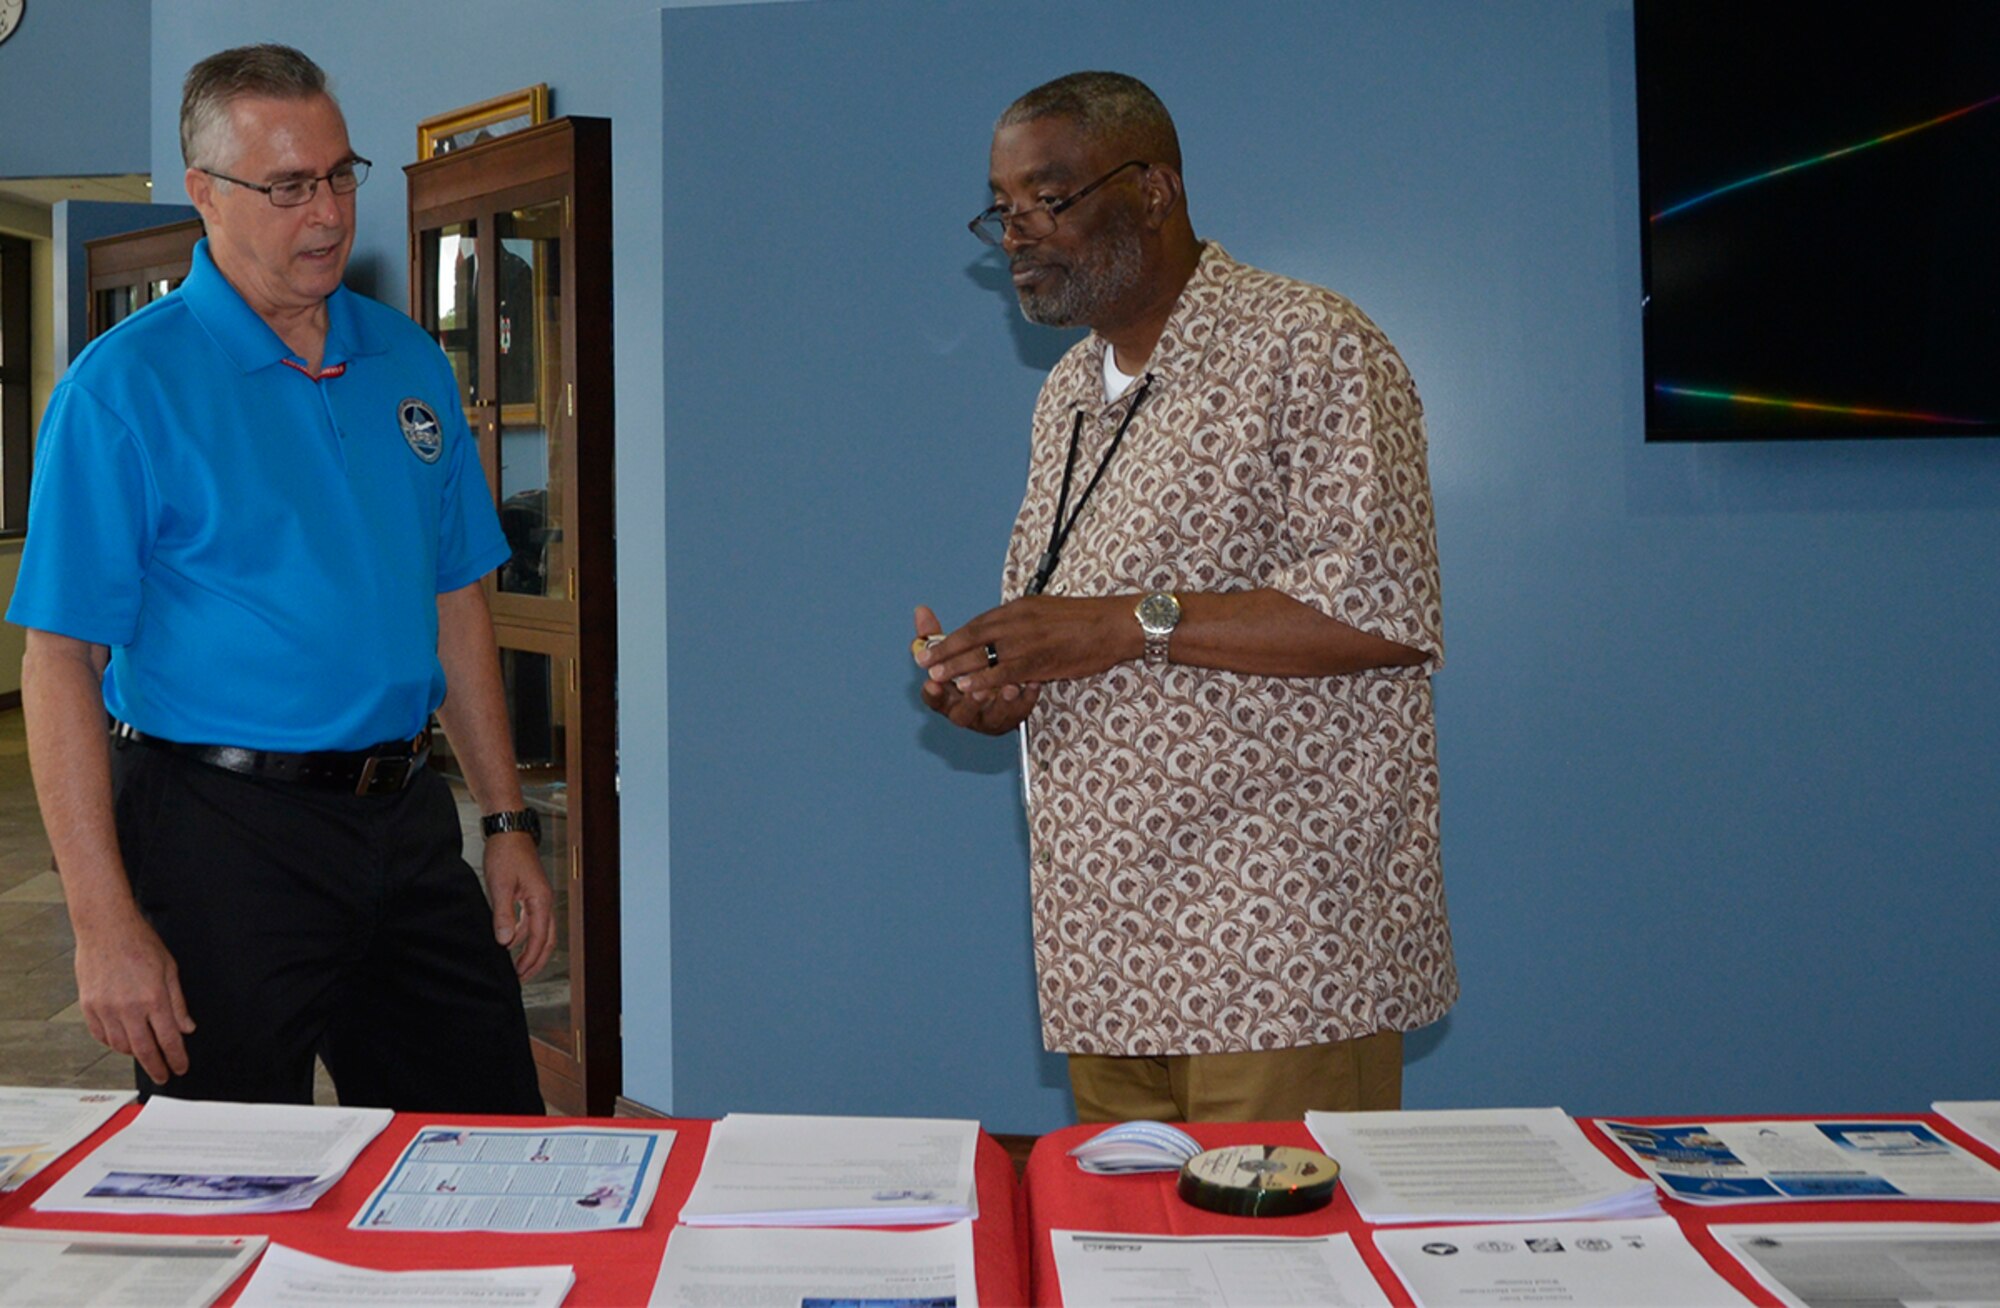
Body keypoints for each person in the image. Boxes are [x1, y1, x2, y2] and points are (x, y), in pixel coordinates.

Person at [9, 44, 552, 1112]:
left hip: (401, 819)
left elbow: (456, 602)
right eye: (290, 186)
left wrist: (504, 820)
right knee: (224, 1181)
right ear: (205, 196)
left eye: (341, 175)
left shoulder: (407, 360)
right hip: (216, 836)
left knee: (477, 1141)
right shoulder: (122, 389)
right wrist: (103, 924)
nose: (330, 214)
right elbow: (58, 660)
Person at [915, 71, 1456, 1122]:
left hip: (1278, 955)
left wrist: (1121, 622)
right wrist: (998, 689)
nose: (1018, 233)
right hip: (1107, 951)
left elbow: (1380, 614)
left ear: (1153, 189)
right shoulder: (1067, 392)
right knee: (1128, 1260)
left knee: (1278, 1275)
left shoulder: (1311, 345)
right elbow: (1076, 648)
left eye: (1051, 198)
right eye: (1003, 207)